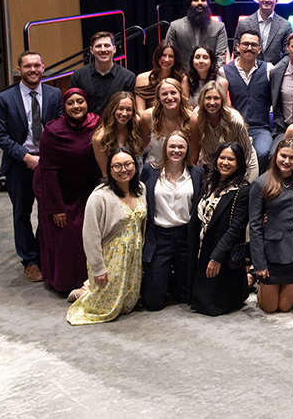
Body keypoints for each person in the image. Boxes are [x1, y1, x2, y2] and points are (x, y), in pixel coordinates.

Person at [0, 51, 62, 281]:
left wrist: (48, 157)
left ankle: (43, 255)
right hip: (19, 164)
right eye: (27, 66)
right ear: (19, 69)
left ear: (43, 68)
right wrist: (25, 156)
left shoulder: (54, 94)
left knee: (48, 210)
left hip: (48, 163)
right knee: (22, 213)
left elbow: (60, 126)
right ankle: (30, 261)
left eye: (37, 66)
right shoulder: (4, 99)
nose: (32, 70)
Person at [66, 148, 147, 324]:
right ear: (109, 170)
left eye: (127, 164)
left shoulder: (141, 189)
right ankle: (82, 293)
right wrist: (98, 267)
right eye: (117, 166)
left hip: (133, 254)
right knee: (105, 309)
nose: (123, 170)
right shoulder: (99, 196)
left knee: (127, 304)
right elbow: (90, 234)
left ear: (135, 165)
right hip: (111, 255)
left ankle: (88, 288)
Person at [33, 88, 101, 293]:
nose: (76, 106)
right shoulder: (53, 132)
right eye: (71, 103)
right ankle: (63, 282)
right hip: (55, 190)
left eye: (80, 101)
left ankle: (84, 279)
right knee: (65, 234)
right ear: (64, 107)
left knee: (84, 232)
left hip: (82, 187)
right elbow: (48, 172)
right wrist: (57, 208)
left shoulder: (96, 124)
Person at [249, 138, 293, 313]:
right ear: (276, 155)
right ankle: (261, 288)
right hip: (272, 252)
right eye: (283, 156)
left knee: (285, 307)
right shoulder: (260, 183)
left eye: (292, 158)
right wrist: (259, 264)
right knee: (270, 308)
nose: (287, 161)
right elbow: (254, 227)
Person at [140, 131, 204, 310]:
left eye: (181, 147)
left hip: (185, 236)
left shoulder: (197, 173)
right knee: (153, 302)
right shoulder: (150, 171)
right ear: (165, 148)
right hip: (160, 237)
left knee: (186, 297)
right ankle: (161, 279)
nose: (176, 150)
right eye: (172, 146)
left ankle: (169, 280)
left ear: (187, 149)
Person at [187, 141, 250, 316]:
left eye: (231, 159)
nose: (225, 162)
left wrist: (216, 258)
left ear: (239, 164)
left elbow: (235, 229)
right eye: (222, 158)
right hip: (200, 247)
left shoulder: (242, 190)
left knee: (210, 307)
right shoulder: (207, 182)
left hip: (220, 251)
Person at [219, 31, 273, 172]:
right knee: (235, 157)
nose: (249, 48)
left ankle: (258, 191)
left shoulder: (268, 69)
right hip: (235, 128)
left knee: (263, 154)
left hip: (261, 128)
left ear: (259, 49)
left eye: (253, 45)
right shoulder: (224, 71)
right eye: (245, 44)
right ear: (238, 47)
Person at [195, 81, 259, 182]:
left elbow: (246, 151)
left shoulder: (234, 120)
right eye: (208, 98)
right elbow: (206, 154)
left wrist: (241, 178)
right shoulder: (197, 117)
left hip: (244, 163)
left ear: (222, 100)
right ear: (202, 100)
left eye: (216, 98)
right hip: (217, 166)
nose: (212, 103)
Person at [69, 31, 136, 115]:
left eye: (107, 46)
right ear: (91, 50)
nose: (103, 50)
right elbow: (71, 105)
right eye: (98, 46)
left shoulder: (128, 77)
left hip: (115, 126)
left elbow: (130, 109)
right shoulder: (79, 75)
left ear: (114, 49)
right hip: (85, 126)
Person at [164, 0, 229, 70]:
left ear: (207, 2)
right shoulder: (175, 27)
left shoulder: (219, 27)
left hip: (210, 78)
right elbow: (168, 54)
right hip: (182, 78)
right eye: (195, 0)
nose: (199, 3)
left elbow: (220, 57)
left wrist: (211, 77)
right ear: (189, 2)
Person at [139, 77, 199, 167]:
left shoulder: (192, 119)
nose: (169, 97)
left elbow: (194, 153)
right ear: (158, 97)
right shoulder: (148, 117)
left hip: (183, 170)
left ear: (181, 95)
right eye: (164, 94)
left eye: (173, 93)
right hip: (154, 167)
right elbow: (142, 148)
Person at [234, 0, 291, 64]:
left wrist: (274, 71)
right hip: (249, 73)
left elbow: (288, 55)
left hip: (275, 74)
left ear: (276, 0)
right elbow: (237, 53)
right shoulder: (244, 24)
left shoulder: (285, 26)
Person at [92, 91, 145, 175]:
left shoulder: (137, 124)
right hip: (115, 181)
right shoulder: (100, 138)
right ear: (112, 109)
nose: (124, 113)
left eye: (128, 110)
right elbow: (106, 173)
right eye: (120, 108)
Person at [134, 40, 185, 113]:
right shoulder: (142, 78)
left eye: (171, 56)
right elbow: (140, 111)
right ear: (157, 56)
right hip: (149, 120)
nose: (166, 59)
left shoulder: (182, 79)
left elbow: (183, 107)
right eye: (163, 55)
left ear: (175, 59)